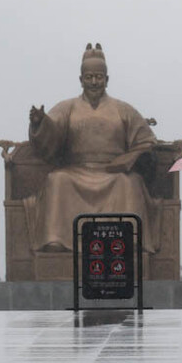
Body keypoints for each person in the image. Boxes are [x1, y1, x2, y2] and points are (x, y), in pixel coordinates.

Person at [25, 43, 160, 253]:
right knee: (57, 180)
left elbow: (147, 140)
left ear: (107, 79)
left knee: (131, 183)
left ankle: (131, 242)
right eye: (89, 77)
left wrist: (131, 158)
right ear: (81, 80)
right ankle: (56, 241)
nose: (94, 82)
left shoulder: (123, 110)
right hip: (75, 171)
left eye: (99, 77)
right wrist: (39, 123)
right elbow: (51, 135)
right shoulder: (66, 107)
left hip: (113, 173)